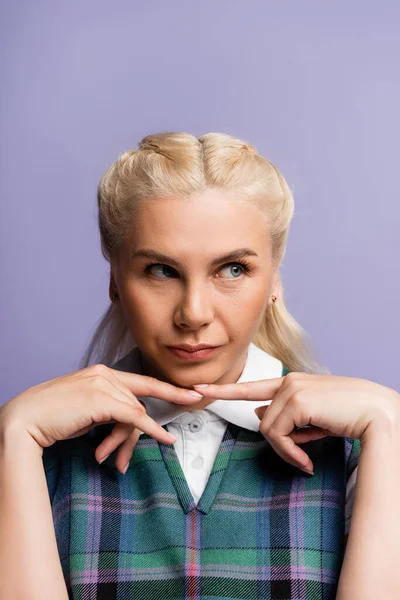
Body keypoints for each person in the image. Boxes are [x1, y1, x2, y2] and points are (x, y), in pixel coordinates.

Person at [0, 132, 398, 600]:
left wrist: (388, 426)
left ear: (273, 278)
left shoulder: (360, 449)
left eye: (232, 269)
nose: (193, 313)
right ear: (115, 280)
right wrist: (15, 435)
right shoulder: (41, 450)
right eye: (161, 270)